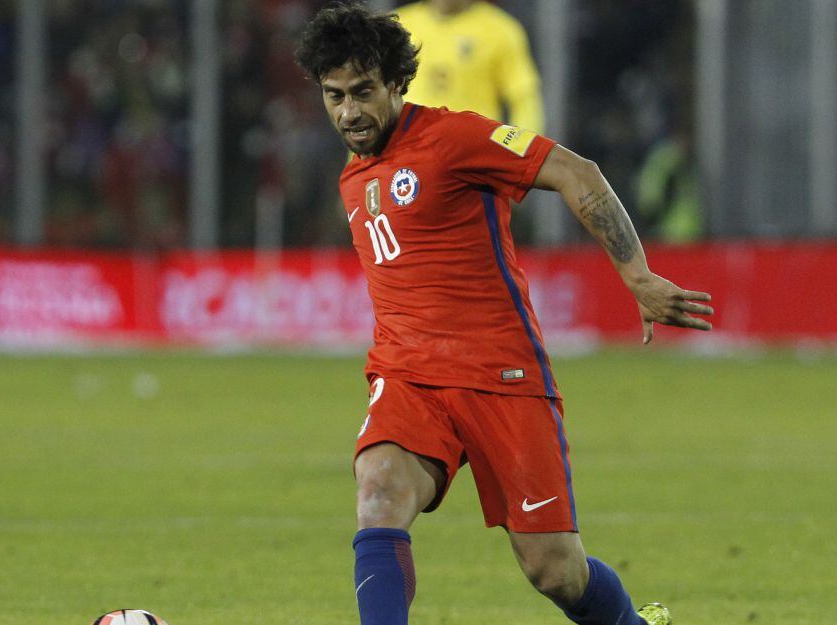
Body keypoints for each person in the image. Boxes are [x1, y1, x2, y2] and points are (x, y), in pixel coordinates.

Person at [294, 5, 714, 625]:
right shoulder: (353, 179)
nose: (349, 112)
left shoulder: (455, 138)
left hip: (501, 376)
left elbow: (578, 172)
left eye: (362, 93)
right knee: (378, 492)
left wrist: (637, 276)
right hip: (408, 377)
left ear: (396, 84)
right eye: (334, 97)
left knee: (555, 571)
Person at [393, 0, 544, 133]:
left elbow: (523, 98)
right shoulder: (399, 24)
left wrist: (521, 149)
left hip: (475, 149)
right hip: (411, 145)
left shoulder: (501, 29)